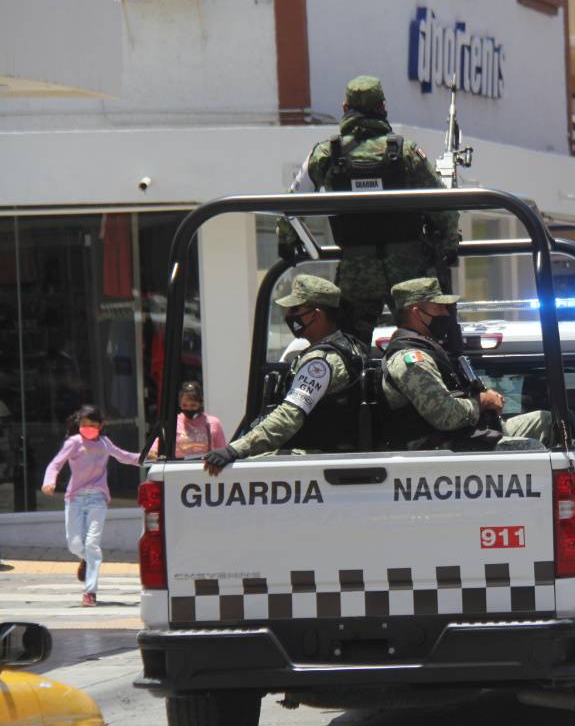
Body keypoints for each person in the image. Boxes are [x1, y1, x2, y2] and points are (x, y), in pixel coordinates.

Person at [286, 75, 459, 343]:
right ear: (383, 107)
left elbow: (292, 204)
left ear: (345, 109)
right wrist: (448, 247)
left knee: (350, 347)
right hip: (407, 271)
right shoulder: (406, 152)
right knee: (423, 341)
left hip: (357, 272)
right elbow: (444, 207)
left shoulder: (325, 154)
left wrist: (287, 245)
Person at [203, 275, 368, 476]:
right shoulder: (347, 346)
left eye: (295, 309)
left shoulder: (320, 362)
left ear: (316, 314)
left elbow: (288, 417)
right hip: (327, 458)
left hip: (315, 460)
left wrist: (236, 449)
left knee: (238, 471)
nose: (289, 316)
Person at [381, 278, 552, 450]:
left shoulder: (429, 351)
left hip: (468, 435)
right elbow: (445, 415)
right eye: (438, 307)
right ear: (416, 312)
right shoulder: (410, 360)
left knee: (546, 421)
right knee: (532, 449)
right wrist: (483, 401)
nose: (446, 314)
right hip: (443, 450)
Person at [40, 405, 141, 607]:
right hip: (75, 498)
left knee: (92, 545)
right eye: (83, 425)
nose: (87, 428)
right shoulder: (74, 442)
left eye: (92, 425)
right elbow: (55, 464)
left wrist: (146, 457)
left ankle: (90, 591)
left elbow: (124, 456)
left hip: (98, 498)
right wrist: (49, 481)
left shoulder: (104, 443)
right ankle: (86, 559)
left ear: (100, 425)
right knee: (75, 544)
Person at [148, 381, 227, 458]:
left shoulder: (213, 423)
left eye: (193, 405)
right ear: (179, 404)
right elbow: (155, 448)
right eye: (185, 405)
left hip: (204, 468)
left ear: (200, 403)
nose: (189, 408)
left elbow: (223, 451)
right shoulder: (172, 423)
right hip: (179, 468)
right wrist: (152, 453)